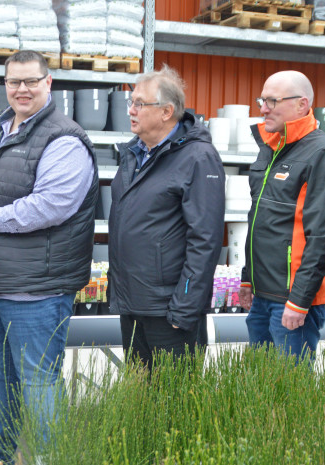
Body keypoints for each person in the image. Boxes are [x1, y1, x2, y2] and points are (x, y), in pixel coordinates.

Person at [0, 50, 98, 463]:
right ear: (5, 85)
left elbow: (51, 205)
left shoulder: (63, 138)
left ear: (49, 84)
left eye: (31, 81)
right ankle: (2, 455)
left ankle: (52, 457)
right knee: (1, 374)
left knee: (38, 381)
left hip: (36, 288)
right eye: (14, 82)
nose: (22, 89)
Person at [108, 65, 225, 371]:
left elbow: (205, 239)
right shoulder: (134, 154)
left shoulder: (198, 157)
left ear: (166, 112)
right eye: (130, 102)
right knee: (140, 398)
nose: (131, 110)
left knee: (172, 403)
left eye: (139, 104)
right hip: (134, 305)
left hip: (170, 311)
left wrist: (184, 307)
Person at [239, 71, 325, 359]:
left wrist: (299, 300)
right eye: (262, 100)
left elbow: (322, 235)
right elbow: (259, 220)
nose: (263, 108)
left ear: (302, 105)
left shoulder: (324, 153)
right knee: (260, 388)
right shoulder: (271, 147)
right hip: (264, 295)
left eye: (272, 101)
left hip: (292, 301)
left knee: (289, 394)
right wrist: (248, 279)